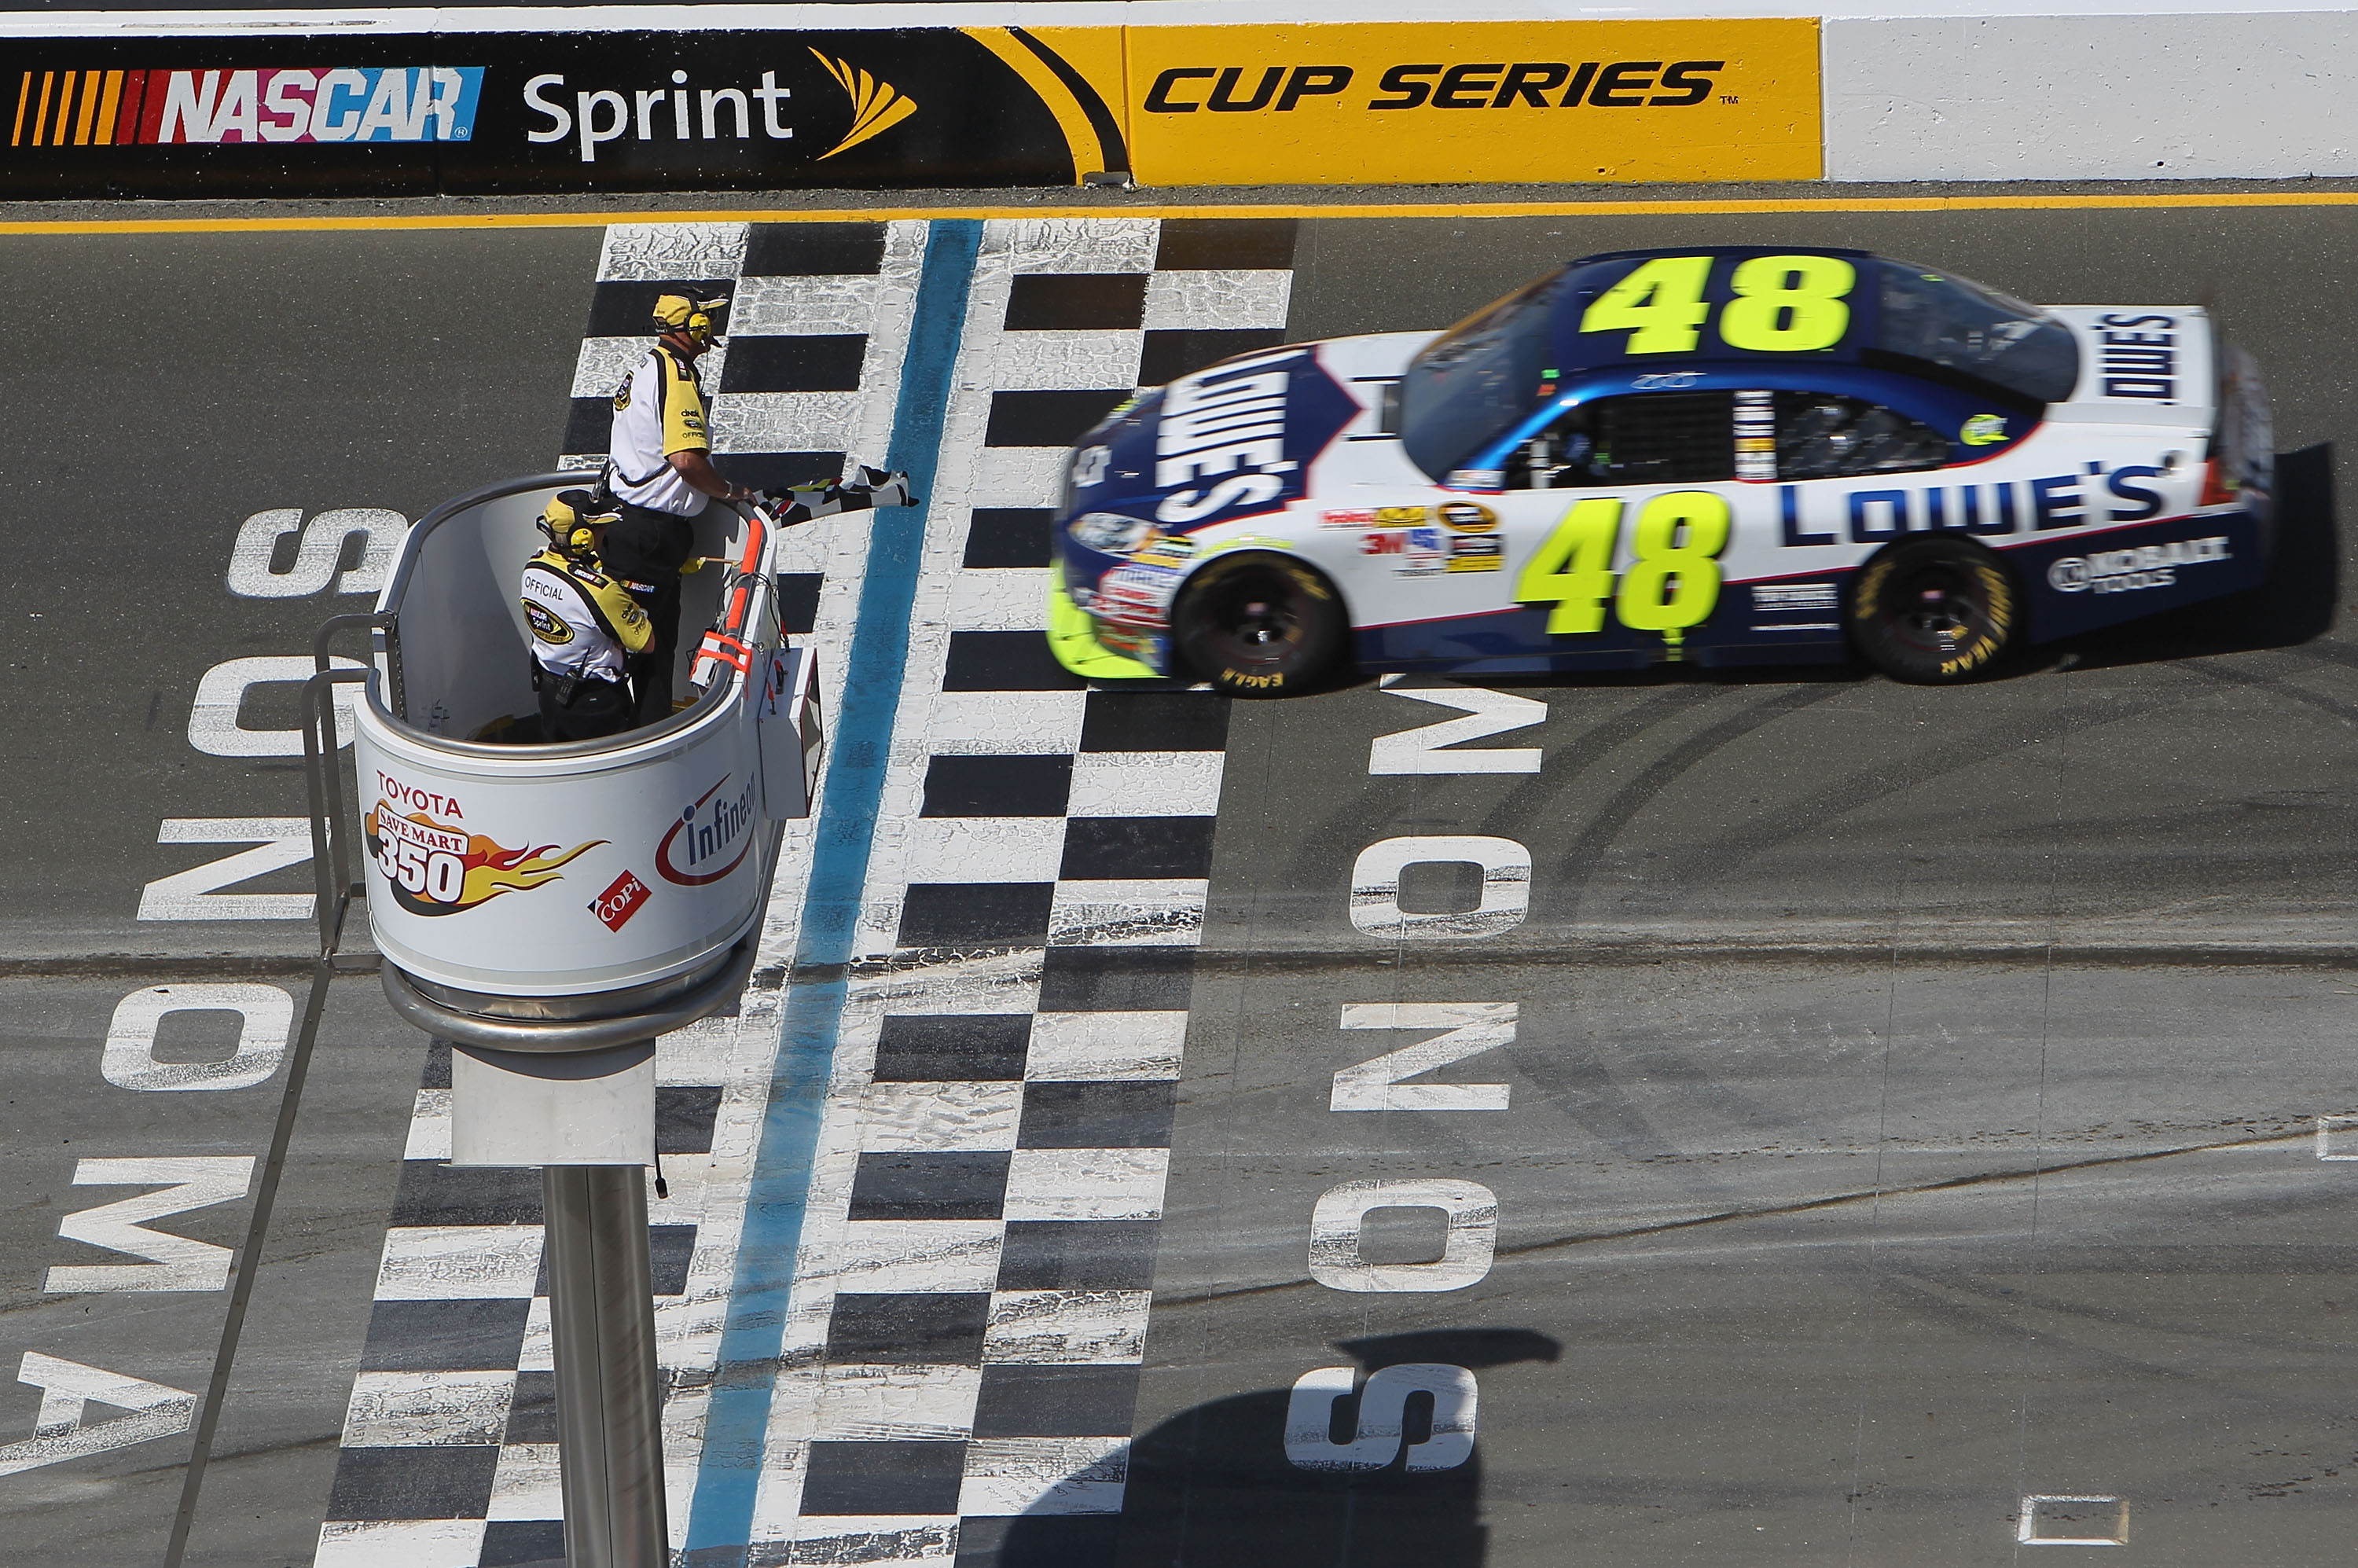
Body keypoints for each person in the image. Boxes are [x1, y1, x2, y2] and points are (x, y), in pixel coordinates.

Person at [601, 291, 919, 725]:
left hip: (628, 522)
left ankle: (633, 725)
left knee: (636, 645)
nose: (710, 328)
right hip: (652, 534)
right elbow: (686, 460)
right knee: (649, 650)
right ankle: (645, 733)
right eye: (705, 321)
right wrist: (727, 490)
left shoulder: (646, 366)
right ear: (693, 327)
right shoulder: (676, 377)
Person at [520, 490, 652, 743]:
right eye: (599, 528)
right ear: (582, 537)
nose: (605, 532)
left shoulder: (532, 568)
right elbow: (646, 642)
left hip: (549, 693)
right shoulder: (603, 591)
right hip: (596, 703)